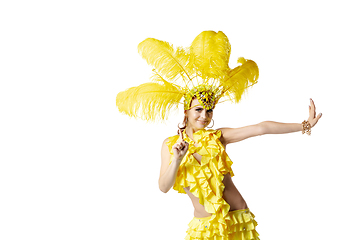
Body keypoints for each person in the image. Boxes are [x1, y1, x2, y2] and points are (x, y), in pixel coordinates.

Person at [116, 30, 322, 239]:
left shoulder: (218, 136)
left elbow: (261, 128)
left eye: (209, 110)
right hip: (203, 230)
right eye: (198, 110)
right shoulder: (170, 145)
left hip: (237, 221)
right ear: (186, 110)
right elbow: (163, 187)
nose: (204, 116)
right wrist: (177, 160)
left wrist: (304, 125)